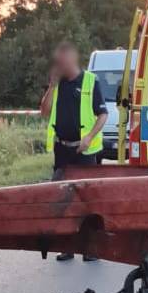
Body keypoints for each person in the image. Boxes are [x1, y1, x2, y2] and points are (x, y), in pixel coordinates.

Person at [40, 40, 107, 262]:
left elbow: (103, 114)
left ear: (72, 59)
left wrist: (89, 137)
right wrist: (51, 86)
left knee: (87, 200)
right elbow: (44, 112)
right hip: (62, 150)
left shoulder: (90, 81)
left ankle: (91, 247)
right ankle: (67, 247)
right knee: (62, 199)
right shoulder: (58, 84)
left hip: (85, 152)